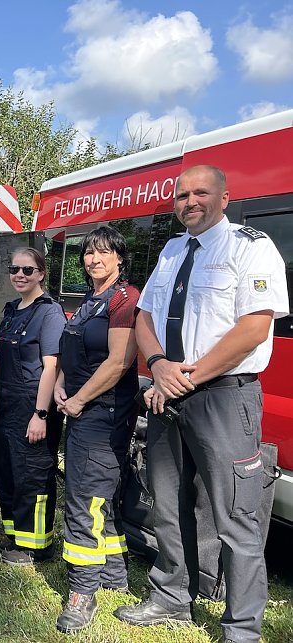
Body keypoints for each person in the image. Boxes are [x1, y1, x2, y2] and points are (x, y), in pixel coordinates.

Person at [115, 165, 289, 643]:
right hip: (171, 393)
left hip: (223, 397)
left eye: (200, 193)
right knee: (167, 504)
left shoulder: (250, 247)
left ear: (225, 199)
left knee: (238, 517)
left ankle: (241, 627)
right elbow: (144, 314)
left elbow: (254, 327)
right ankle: (172, 596)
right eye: (181, 194)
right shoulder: (172, 250)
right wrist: (158, 363)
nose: (189, 201)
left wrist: (185, 375)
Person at [53, 226, 139, 634]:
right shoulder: (90, 299)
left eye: (104, 252)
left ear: (120, 258)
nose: (94, 259)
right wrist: (59, 385)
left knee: (84, 498)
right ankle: (114, 574)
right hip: (81, 405)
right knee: (98, 494)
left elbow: (119, 361)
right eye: (89, 253)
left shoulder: (125, 299)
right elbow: (73, 350)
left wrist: (79, 399)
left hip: (101, 412)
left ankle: (82, 593)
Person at [0, 248, 66, 566]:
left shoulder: (49, 312)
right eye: (15, 269)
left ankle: (36, 547)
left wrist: (41, 413)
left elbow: (52, 367)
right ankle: (16, 536)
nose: (20, 275)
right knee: (6, 472)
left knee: (31, 476)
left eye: (28, 270)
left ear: (41, 273)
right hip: (7, 404)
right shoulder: (11, 310)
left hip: (33, 406)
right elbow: (3, 364)